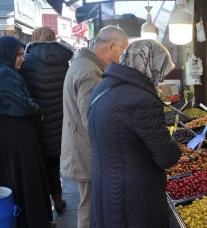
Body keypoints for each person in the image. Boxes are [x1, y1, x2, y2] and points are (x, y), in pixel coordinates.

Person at [88, 39, 181, 227]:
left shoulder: (101, 88)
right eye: (161, 70)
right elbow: (167, 157)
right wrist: (172, 142)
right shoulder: (142, 100)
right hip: (135, 198)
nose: (161, 78)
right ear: (149, 65)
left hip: (104, 186)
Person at [0, 36, 54, 228]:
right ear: (6, 54)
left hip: (5, 139)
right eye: (18, 54)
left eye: (22, 54)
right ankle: (30, 222)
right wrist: (38, 110)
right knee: (24, 179)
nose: (22, 58)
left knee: (13, 179)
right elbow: (23, 105)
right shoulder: (4, 74)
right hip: (15, 141)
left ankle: (21, 220)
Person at [61, 25, 128, 228]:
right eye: (121, 52)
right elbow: (93, 120)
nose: (120, 59)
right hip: (86, 152)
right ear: (112, 45)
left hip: (80, 147)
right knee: (91, 207)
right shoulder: (90, 72)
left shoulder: (83, 63)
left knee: (90, 204)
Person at [20, 27, 74, 214]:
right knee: (54, 161)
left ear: (34, 39)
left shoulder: (27, 61)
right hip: (59, 120)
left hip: (38, 122)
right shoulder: (64, 62)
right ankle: (58, 199)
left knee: (40, 165)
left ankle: (43, 208)